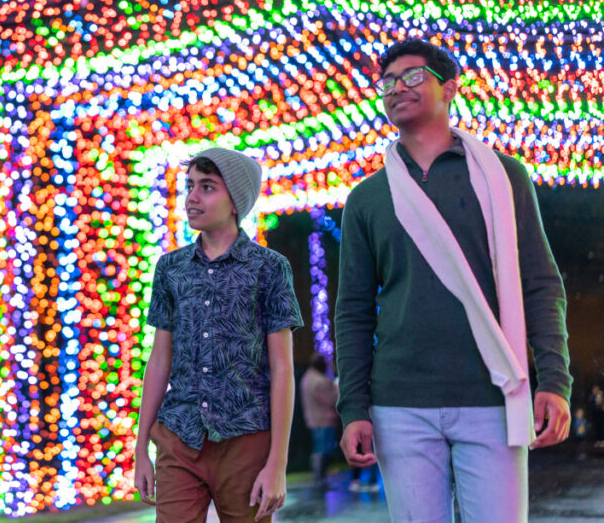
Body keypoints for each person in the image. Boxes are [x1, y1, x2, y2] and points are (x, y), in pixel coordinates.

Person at [335, 38, 572, 522]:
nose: (397, 87)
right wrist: (353, 407)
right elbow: (353, 310)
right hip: (399, 402)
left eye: (413, 76)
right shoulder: (368, 198)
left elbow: (540, 283)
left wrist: (555, 379)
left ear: (451, 90)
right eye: (388, 81)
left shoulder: (503, 177)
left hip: (492, 393)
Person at [133, 147, 303, 522]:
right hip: (179, 438)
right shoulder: (170, 268)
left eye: (207, 187)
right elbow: (159, 359)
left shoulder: (270, 268)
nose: (192, 197)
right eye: (189, 185)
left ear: (236, 201)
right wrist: (141, 448)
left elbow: (283, 370)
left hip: (246, 441)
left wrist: (277, 463)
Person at [299, 353, 339, 486]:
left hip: (313, 419)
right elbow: (331, 400)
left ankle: (318, 477)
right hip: (324, 419)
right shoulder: (320, 381)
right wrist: (336, 389)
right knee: (324, 449)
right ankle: (320, 478)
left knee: (318, 448)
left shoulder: (307, 378)